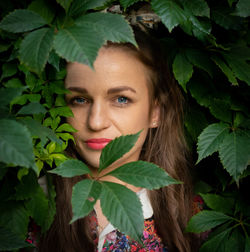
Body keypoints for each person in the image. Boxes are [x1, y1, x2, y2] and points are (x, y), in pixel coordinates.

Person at [38, 26, 200, 252]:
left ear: (156, 112)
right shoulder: (31, 206)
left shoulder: (192, 219)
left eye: (121, 99)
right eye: (79, 100)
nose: (95, 122)